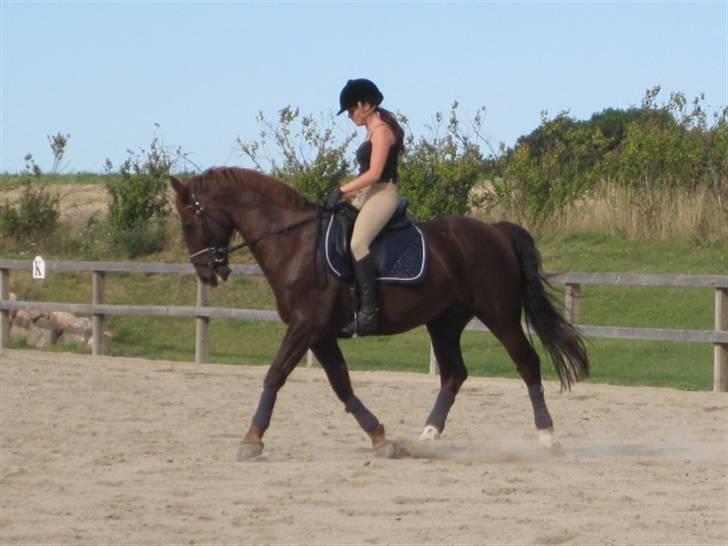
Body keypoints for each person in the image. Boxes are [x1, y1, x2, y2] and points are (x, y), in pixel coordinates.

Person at [323, 78, 406, 337]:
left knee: (358, 243)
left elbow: (374, 173)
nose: (350, 115)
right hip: (367, 194)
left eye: (351, 110)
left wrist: (341, 190)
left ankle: (369, 314)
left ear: (366, 105)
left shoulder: (381, 131)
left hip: (383, 193)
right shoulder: (369, 131)